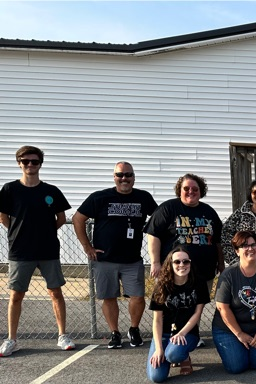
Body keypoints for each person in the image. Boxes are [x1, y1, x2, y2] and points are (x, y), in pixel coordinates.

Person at [72, 161, 158, 349]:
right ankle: (115, 333)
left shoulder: (143, 198)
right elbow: (77, 219)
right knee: (109, 297)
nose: (124, 179)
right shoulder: (100, 197)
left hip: (132, 259)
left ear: (134, 177)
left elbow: (159, 218)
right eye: (120, 175)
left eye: (128, 175)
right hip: (104, 260)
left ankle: (134, 329)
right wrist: (87, 247)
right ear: (114, 177)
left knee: (137, 297)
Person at [0, 145, 75, 356]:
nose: (30, 165)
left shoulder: (51, 191)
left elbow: (61, 219)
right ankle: (11, 339)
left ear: (40, 164)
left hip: (48, 250)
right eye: (25, 161)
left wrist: (45, 233)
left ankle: (62, 336)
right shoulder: (9, 190)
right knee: (16, 295)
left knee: (56, 293)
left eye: (34, 161)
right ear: (19, 164)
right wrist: (20, 233)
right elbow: (3, 217)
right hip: (20, 252)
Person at [146, 173, 223, 347]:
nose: (190, 192)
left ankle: (190, 336)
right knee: (171, 305)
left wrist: (221, 263)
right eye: (186, 188)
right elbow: (153, 235)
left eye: (195, 189)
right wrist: (155, 262)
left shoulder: (209, 212)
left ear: (201, 191)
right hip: (175, 270)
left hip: (203, 271)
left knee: (195, 304)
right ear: (179, 190)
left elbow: (217, 241)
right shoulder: (168, 208)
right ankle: (167, 336)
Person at [212, 230, 256, 373]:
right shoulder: (228, 275)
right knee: (237, 367)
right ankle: (239, 348)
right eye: (244, 246)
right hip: (229, 329)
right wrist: (239, 334)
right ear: (237, 251)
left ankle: (251, 349)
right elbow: (223, 308)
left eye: (253, 245)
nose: (250, 249)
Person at [146, 247, 210, 383]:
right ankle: (168, 354)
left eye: (186, 261)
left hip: (187, 334)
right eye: (177, 262)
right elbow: (157, 321)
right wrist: (158, 349)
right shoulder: (161, 287)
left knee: (173, 354)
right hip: (164, 334)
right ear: (170, 264)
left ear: (190, 263)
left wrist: (181, 333)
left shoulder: (199, 284)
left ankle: (181, 356)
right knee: (156, 377)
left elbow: (197, 314)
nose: (182, 265)